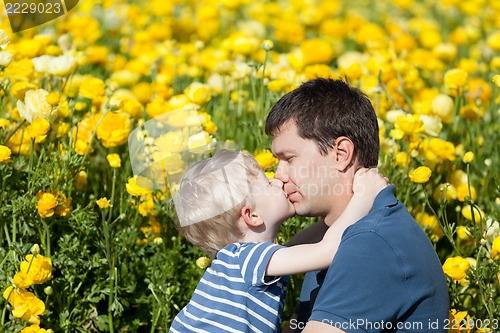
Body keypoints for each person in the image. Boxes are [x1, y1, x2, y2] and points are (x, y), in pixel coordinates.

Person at [265, 78, 449, 333]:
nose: (279, 175)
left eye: (289, 159)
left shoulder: (370, 242)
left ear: (341, 154)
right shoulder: (338, 232)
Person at [168, 149, 388, 333]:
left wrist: (337, 214)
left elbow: (296, 248)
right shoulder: (248, 258)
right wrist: (363, 196)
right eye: (268, 184)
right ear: (251, 215)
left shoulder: (243, 260)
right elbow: (327, 251)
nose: (278, 180)